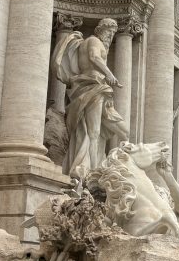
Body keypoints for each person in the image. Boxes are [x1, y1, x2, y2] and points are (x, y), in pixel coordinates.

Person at [52, 18, 130, 176]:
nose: (111, 36)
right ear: (101, 29)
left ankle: (117, 164)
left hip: (98, 88)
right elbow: (94, 57)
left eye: (113, 33)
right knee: (94, 132)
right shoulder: (94, 41)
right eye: (110, 32)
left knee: (124, 131)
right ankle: (93, 173)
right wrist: (109, 74)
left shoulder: (91, 42)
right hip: (91, 86)